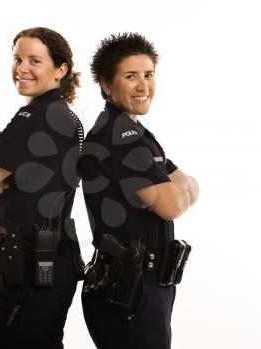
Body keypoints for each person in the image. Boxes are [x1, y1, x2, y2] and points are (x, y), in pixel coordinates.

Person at [0, 27, 84, 349]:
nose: (22, 68)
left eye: (35, 60)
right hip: (40, 267)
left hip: (28, 273)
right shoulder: (59, 116)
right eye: (17, 58)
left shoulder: (35, 118)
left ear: (60, 70)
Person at [80, 32, 199, 349]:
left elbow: (191, 188)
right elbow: (173, 204)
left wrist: (174, 191)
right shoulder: (119, 138)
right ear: (107, 84)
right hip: (128, 290)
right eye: (130, 76)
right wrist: (174, 191)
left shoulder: (137, 135)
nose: (143, 86)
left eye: (148, 74)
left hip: (146, 285)